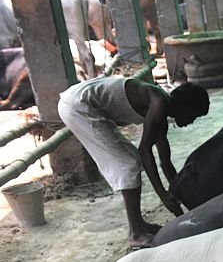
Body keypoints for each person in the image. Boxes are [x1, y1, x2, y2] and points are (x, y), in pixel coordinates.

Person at [57, 77, 209, 249]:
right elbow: (145, 150)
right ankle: (136, 233)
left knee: (130, 160)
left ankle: (139, 225)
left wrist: (181, 198)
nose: (191, 122)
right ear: (186, 107)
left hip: (80, 102)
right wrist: (162, 195)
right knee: (128, 164)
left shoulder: (162, 110)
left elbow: (165, 162)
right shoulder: (159, 103)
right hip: (78, 106)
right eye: (194, 116)